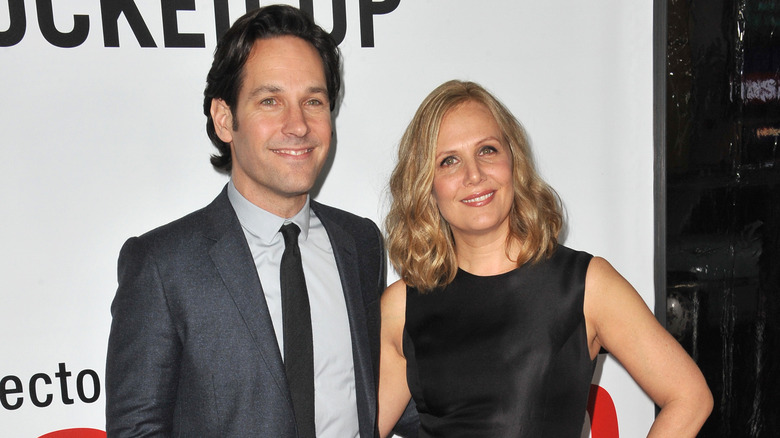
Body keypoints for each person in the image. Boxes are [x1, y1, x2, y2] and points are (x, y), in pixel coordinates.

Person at [106, 5, 416, 437]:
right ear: (225, 119)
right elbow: (137, 430)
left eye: (313, 101)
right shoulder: (163, 265)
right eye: (270, 101)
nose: (298, 125)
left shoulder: (360, 243)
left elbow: (384, 393)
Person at [377, 80, 713, 437]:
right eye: (449, 161)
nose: (473, 175)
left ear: (513, 161)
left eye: (487, 150)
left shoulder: (585, 285)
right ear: (427, 185)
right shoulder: (402, 308)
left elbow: (689, 396)